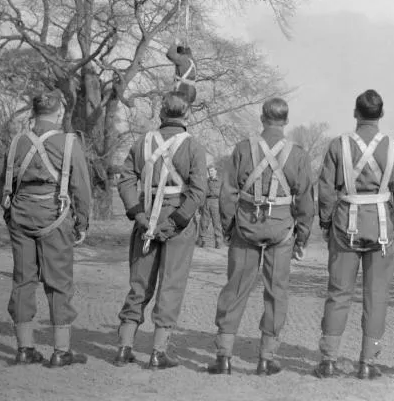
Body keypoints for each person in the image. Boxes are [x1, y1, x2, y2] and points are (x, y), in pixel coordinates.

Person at [207, 97, 314, 376]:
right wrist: (302, 236)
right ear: (286, 120)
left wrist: (229, 227)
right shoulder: (298, 154)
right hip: (282, 229)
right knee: (276, 292)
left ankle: (224, 356)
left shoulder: (243, 148)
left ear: (262, 118)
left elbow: (227, 192)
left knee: (236, 288)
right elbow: (304, 201)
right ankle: (266, 358)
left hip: (245, 226)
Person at [313, 89, 394, 380]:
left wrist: (326, 223)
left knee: (338, 293)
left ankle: (328, 360)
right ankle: (367, 362)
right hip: (383, 228)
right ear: (381, 115)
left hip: (345, 225)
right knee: (377, 296)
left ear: (355, 113)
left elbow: (326, 190)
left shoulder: (337, 145)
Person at [0, 90, 91, 367]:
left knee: (23, 280)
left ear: (33, 112)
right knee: (59, 282)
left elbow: (2, 187)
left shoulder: (16, 142)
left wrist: (13, 213)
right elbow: (81, 188)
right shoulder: (69, 142)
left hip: (20, 216)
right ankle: (61, 352)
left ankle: (24, 349)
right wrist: (82, 222)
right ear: (59, 113)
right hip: (56, 217)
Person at [114, 91, 207, 369]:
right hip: (177, 220)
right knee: (172, 283)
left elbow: (126, 179)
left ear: (161, 114)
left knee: (139, 283)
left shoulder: (142, 141)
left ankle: (123, 347)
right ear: (186, 115)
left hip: (146, 217)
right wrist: (176, 222)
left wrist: (138, 215)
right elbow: (199, 191)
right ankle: (157, 353)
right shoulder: (194, 146)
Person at [197, 166, 223, 248]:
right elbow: (202, 193)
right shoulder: (206, 181)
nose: (210, 172)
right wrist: (201, 205)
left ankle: (218, 242)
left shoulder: (221, 181)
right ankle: (202, 241)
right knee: (204, 222)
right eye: (209, 171)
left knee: (217, 223)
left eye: (212, 171)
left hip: (216, 202)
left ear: (216, 171)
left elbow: (224, 194)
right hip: (206, 202)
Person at [166, 40, 197, 105]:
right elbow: (188, 52)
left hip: (183, 90)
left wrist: (175, 44)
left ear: (180, 54)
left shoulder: (183, 59)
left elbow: (170, 54)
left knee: (175, 108)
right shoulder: (192, 59)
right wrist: (187, 46)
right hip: (190, 91)